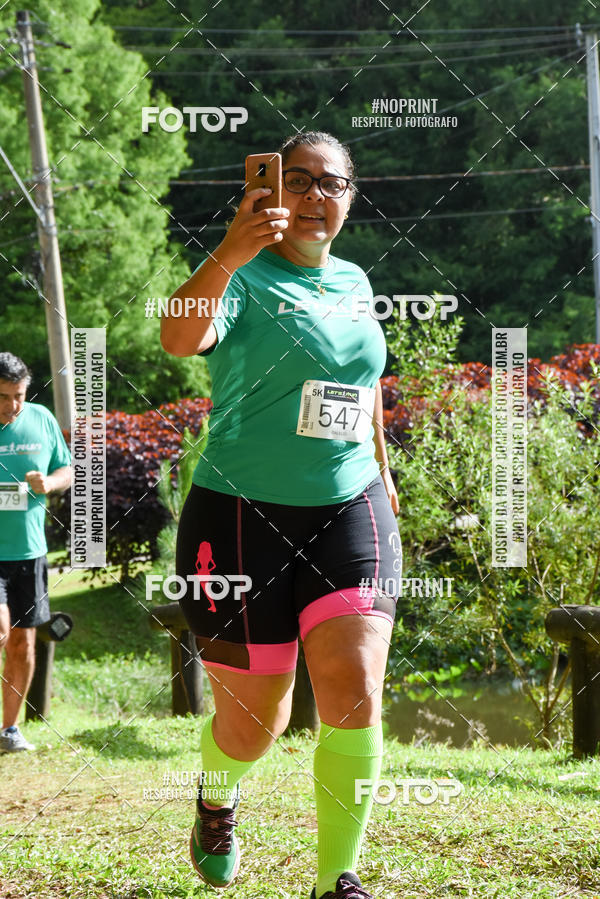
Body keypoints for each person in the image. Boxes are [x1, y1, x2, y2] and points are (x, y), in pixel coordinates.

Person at [161, 131, 402, 899]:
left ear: (350, 198)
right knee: (255, 722)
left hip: (349, 504)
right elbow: (177, 334)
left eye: (330, 184)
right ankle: (216, 796)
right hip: (239, 515)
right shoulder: (238, 273)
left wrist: (385, 475)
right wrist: (230, 246)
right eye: (295, 180)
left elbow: (361, 391)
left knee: (356, 682)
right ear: (269, 190)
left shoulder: (357, 281)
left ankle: (339, 878)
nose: (313, 196)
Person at [0, 353, 72, 752]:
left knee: (23, 644)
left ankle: (8, 730)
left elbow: (67, 469)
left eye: (19, 396)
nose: (13, 406)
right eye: (4, 397)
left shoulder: (41, 418)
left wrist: (49, 483)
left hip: (29, 552)